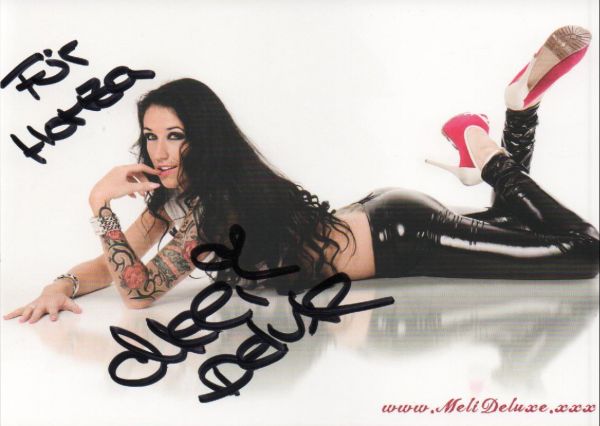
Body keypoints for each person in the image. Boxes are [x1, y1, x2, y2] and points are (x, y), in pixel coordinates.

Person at [4, 25, 598, 325]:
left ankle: (480, 145)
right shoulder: (179, 199)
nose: (160, 152)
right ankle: (518, 113)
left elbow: (138, 292)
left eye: (175, 136)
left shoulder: (214, 211)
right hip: (380, 216)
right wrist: (62, 286)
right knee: (514, 220)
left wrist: (99, 203)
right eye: (152, 136)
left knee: (584, 251)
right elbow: (120, 261)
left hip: (402, 237)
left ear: (201, 138)